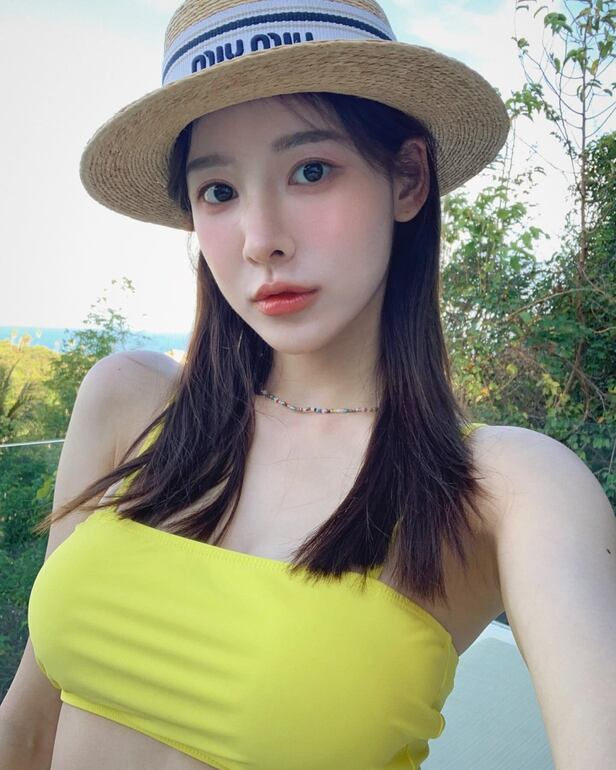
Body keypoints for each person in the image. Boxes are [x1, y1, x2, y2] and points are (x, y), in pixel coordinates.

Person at [1, 0, 614, 768]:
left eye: (311, 170)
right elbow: (27, 726)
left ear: (408, 179)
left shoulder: (502, 487)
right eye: (218, 190)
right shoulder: (130, 401)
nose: (261, 240)